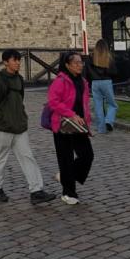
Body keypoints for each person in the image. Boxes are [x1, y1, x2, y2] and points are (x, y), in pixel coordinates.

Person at [0, 49, 56, 204]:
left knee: (27, 157)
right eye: (13, 60)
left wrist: (22, 117)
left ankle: (36, 190)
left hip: (19, 127)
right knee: (0, 158)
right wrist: (3, 118)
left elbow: (19, 100)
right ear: (5, 62)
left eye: (18, 60)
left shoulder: (19, 79)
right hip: (3, 128)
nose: (17, 62)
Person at [48, 51, 94, 205]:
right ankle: (68, 192)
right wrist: (70, 114)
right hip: (63, 124)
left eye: (81, 62)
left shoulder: (82, 81)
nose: (80, 65)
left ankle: (66, 176)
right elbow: (53, 101)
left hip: (79, 125)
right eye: (76, 63)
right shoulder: (60, 81)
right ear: (67, 65)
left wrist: (86, 120)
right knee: (65, 158)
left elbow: (84, 104)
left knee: (87, 155)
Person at [87, 39, 118, 134]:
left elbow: (87, 72)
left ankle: (101, 129)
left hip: (95, 83)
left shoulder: (91, 57)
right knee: (112, 104)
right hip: (106, 81)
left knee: (98, 106)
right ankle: (108, 121)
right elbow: (114, 72)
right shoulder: (109, 57)